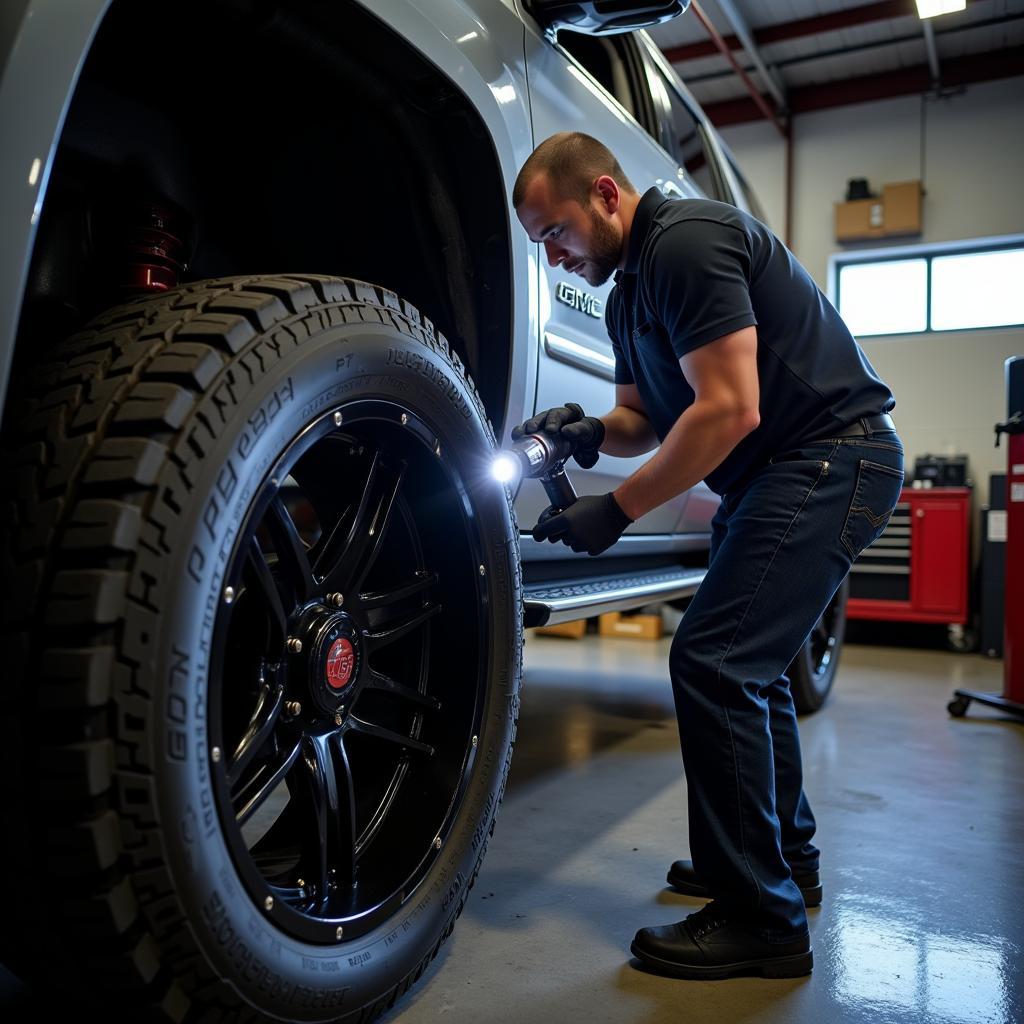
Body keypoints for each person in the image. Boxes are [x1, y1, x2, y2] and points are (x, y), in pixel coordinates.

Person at [511, 132, 904, 980]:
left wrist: (614, 512)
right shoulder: (626, 295)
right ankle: (779, 864)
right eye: (538, 242)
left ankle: (761, 920)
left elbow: (728, 410)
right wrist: (584, 433)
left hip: (832, 456)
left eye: (556, 232)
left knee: (717, 661)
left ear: (607, 196)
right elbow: (645, 416)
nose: (552, 256)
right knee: (746, 669)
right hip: (779, 474)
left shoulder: (686, 244)